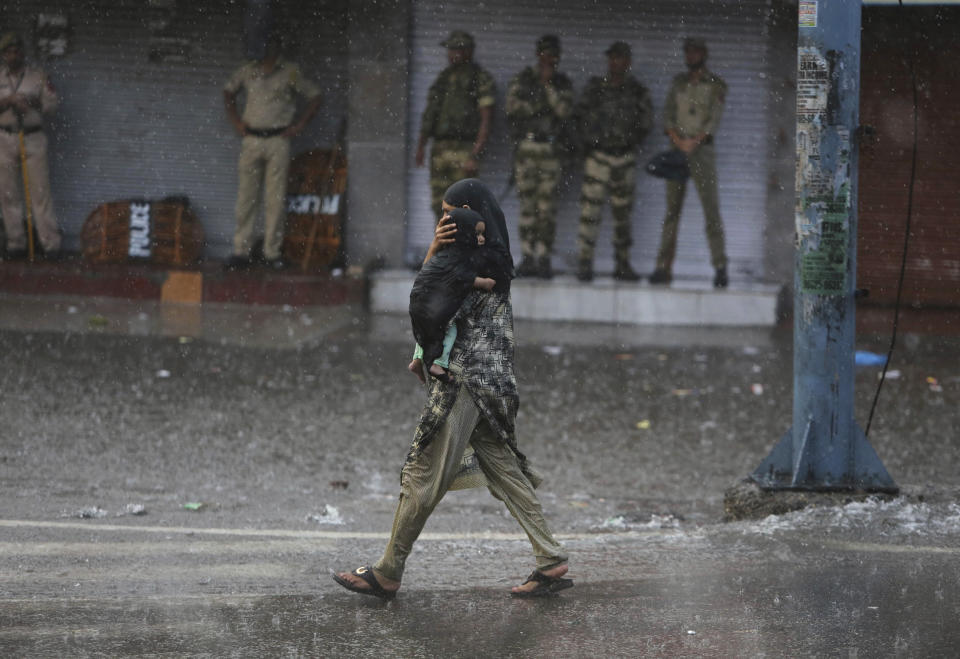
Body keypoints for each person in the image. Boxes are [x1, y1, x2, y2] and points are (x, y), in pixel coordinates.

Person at [334, 178, 571, 600]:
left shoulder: (470, 259)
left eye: (450, 214)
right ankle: (551, 559)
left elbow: (426, 297)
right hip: (493, 382)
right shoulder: (495, 255)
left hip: (464, 381)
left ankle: (388, 571)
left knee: (423, 474)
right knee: (503, 468)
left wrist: (432, 250)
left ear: (471, 214)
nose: (444, 222)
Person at [223, 32, 322, 271]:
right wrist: (236, 121)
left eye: (272, 44)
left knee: (275, 199)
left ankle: (271, 252)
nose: (268, 49)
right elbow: (228, 91)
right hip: (252, 139)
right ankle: (241, 251)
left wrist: (299, 125)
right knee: (246, 198)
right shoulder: (249, 70)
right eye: (265, 44)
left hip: (278, 139)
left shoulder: (290, 71)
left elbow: (315, 95)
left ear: (279, 46)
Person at [649, 37, 729, 288]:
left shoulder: (716, 85)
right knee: (672, 212)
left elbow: (713, 120)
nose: (691, 56)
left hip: (701, 152)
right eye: (688, 52)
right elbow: (668, 116)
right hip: (677, 151)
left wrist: (693, 142)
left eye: (695, 52)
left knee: (711, 212)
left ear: (704, 53)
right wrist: (677, 140)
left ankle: (720, 267)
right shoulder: (678, 83)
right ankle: (662, 267)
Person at [574, 41, 653, 283]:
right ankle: (585, 263)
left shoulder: (637, 91)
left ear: (627, 61)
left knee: (623, 215)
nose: (616, 62)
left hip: (624, 157)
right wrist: (590, 144)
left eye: (621, 58)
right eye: (613, 58)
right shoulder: (594, 89)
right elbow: (579, 119)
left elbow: (646, 121)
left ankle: (622, 263)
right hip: (598, 157)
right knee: (590, 212)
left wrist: (628, 141)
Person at [409, 207, 508, 383]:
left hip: (422, 304)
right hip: (460, 362)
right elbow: (461, 276)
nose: (444, 221)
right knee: (446, 330)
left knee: (427, 331)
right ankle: (436, 362)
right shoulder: (458, 255)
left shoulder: (460, 253)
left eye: (448, 213)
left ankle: (418, 359)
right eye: (444, 213)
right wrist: (484, 282)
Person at [505, 34, 574, 280]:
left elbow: (565, 111)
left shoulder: (562, 83)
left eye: (552, 55)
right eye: (544, 54)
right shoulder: (524, 79)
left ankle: (543, 258)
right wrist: (535, 104)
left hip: (550, 152)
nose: (548, 59)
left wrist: (548, 88)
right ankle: (527, 257)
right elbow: (511, 106)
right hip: (527, 148)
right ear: (538, 54)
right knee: (527, 206)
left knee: (547, 208)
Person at [415, 31, 495, 218]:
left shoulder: (479, 78)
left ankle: (463, 246)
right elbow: (430, 114)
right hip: (440, 149)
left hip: (464, 149)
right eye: (450, 49)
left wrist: (475, 154)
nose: (451, 54)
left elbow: (486, 120)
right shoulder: (443, 78)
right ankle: (444, 245)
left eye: (456, 49)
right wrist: (421, 146)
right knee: (439, 203)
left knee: (464, 205)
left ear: (468, 51)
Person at [0, 32, 61, 260]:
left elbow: (52, 106)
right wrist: (8, 101)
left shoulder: (38, 77)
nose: (14, 54)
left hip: (33, 138)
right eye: (9, 51)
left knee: (40, 193)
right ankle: (16, 243)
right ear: (4, 55)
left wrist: (32, 102)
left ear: (23, 52)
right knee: (8, 194)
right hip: (5, 138)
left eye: (17, 50)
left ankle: (50, 244)